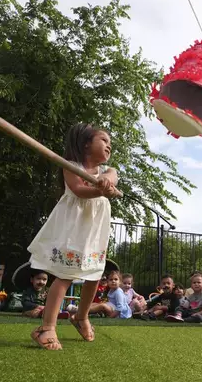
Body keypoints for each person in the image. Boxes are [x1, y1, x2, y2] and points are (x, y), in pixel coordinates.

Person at [27, 124, 119, 350]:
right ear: (87, 143)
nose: (109, 145)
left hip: (94, 231)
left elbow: (112, 177)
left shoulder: (109, 171)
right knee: (65, 275)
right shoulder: (71, 167)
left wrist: (106, 182)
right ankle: (46, 327)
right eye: (104, 140)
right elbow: (79, 190)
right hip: (74, 229)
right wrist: (99, 189)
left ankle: (81, 317)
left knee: (95, 274)